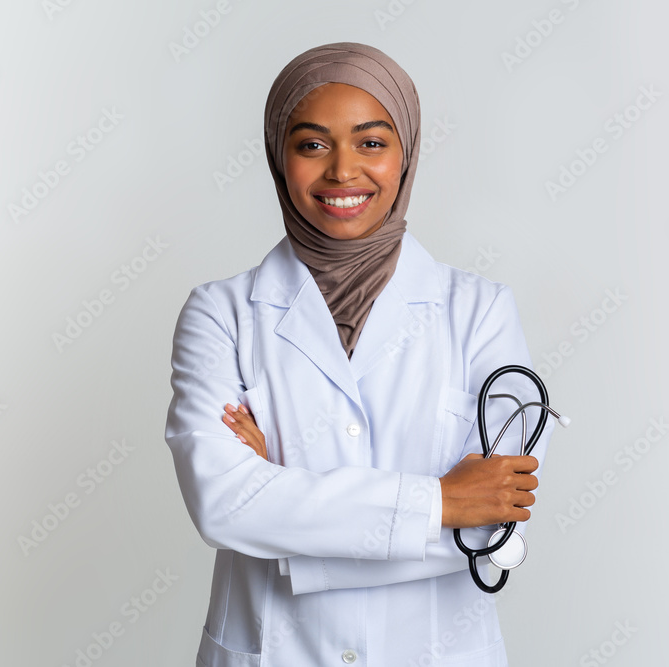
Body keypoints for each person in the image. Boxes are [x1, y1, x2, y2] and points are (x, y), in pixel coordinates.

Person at [166, 41, 553, 667]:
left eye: (372, 142)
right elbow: (221, 506)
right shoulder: (221, 313)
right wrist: (443, 503)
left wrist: (282, 504)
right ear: (277, 156)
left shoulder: (480, 312)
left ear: (407, 154)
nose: (343, 171)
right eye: (312, 144)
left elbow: (496, 534)